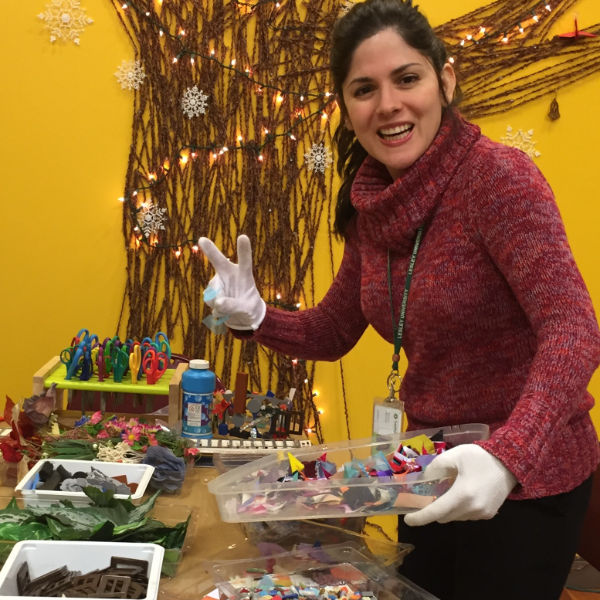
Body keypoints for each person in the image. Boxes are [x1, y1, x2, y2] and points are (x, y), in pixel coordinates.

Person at [199, 0, 600, 598]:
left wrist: (508, 455)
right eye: (365, 88)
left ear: (445, 79)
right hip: (427, 466)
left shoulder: (499, 179)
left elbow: (574, 327)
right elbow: (332, 331)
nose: (388, 104)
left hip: (527, 478)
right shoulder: (374, 205)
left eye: (406, 78)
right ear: (346, 106)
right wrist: (256, 317)